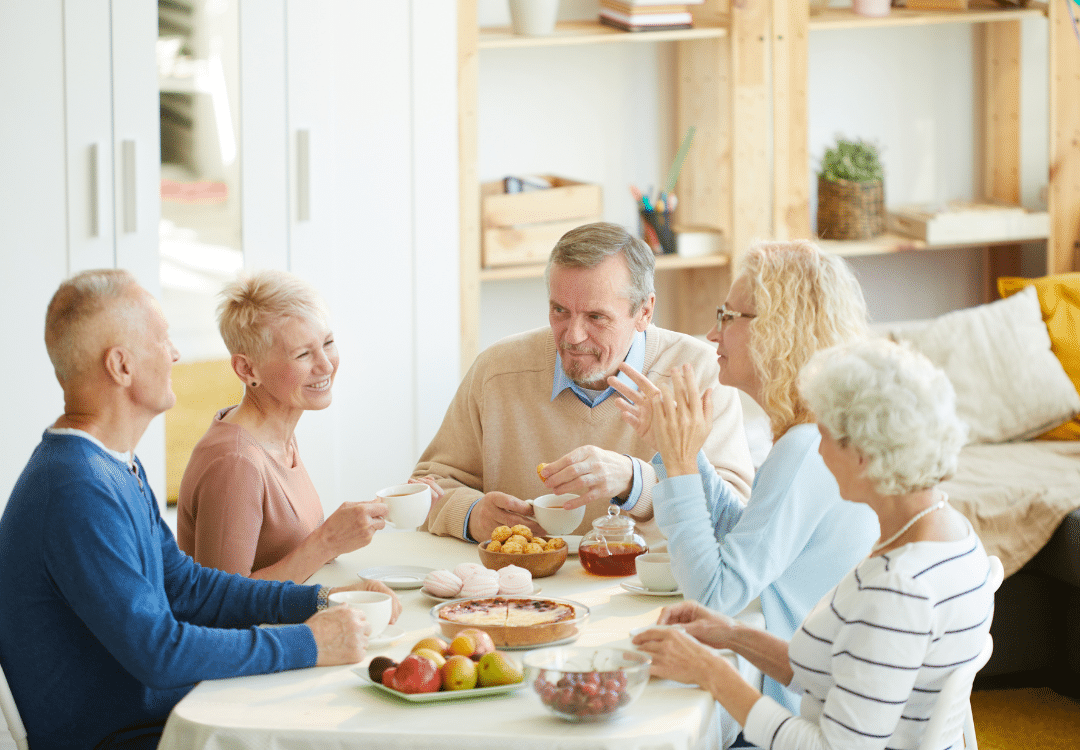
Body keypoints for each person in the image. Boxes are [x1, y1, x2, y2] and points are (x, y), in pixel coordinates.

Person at [0, 269, 398, 750]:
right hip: (135, 737)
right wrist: (310, 642)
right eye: (162, 339)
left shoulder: (110, 465)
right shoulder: (75, 490)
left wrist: (316, 601)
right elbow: (160, 652)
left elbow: (188, 587)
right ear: (121, 366)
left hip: (170, 715)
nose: (175, 353)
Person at [632, 338, 994, 750]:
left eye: (821, 435)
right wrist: (732, 634)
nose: (815, 450)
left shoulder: (898, 589)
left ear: (861, 454)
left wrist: (712, 674)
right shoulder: (952, 534)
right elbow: (854, 675)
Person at [609, 240, 880, 738]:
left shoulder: (807, 447)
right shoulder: (814, 435)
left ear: (780, 328)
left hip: (789, 717)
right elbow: (748, 545)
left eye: (729, 315)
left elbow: (717, 593)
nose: (713, 332)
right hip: (803, 690)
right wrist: (677, 452)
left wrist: (682, 461)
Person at [414, 222, 755, 543]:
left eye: (596, 317)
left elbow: (736, 520)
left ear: (644, 312)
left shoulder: (700, 373)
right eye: (560, 311)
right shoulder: (498, 370)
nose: (573, 336)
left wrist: (636, 482)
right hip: (521, 591)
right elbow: (427, 486)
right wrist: (474, 515)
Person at [177, 269, 441, 582]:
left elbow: (286, 551)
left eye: (328, 343)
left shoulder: (276, 436)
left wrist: (385, 508)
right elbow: (220, 607)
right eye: (303, 354)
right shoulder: (235, 463)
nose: (326, 365)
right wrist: (327, 540)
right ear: (247, 368)